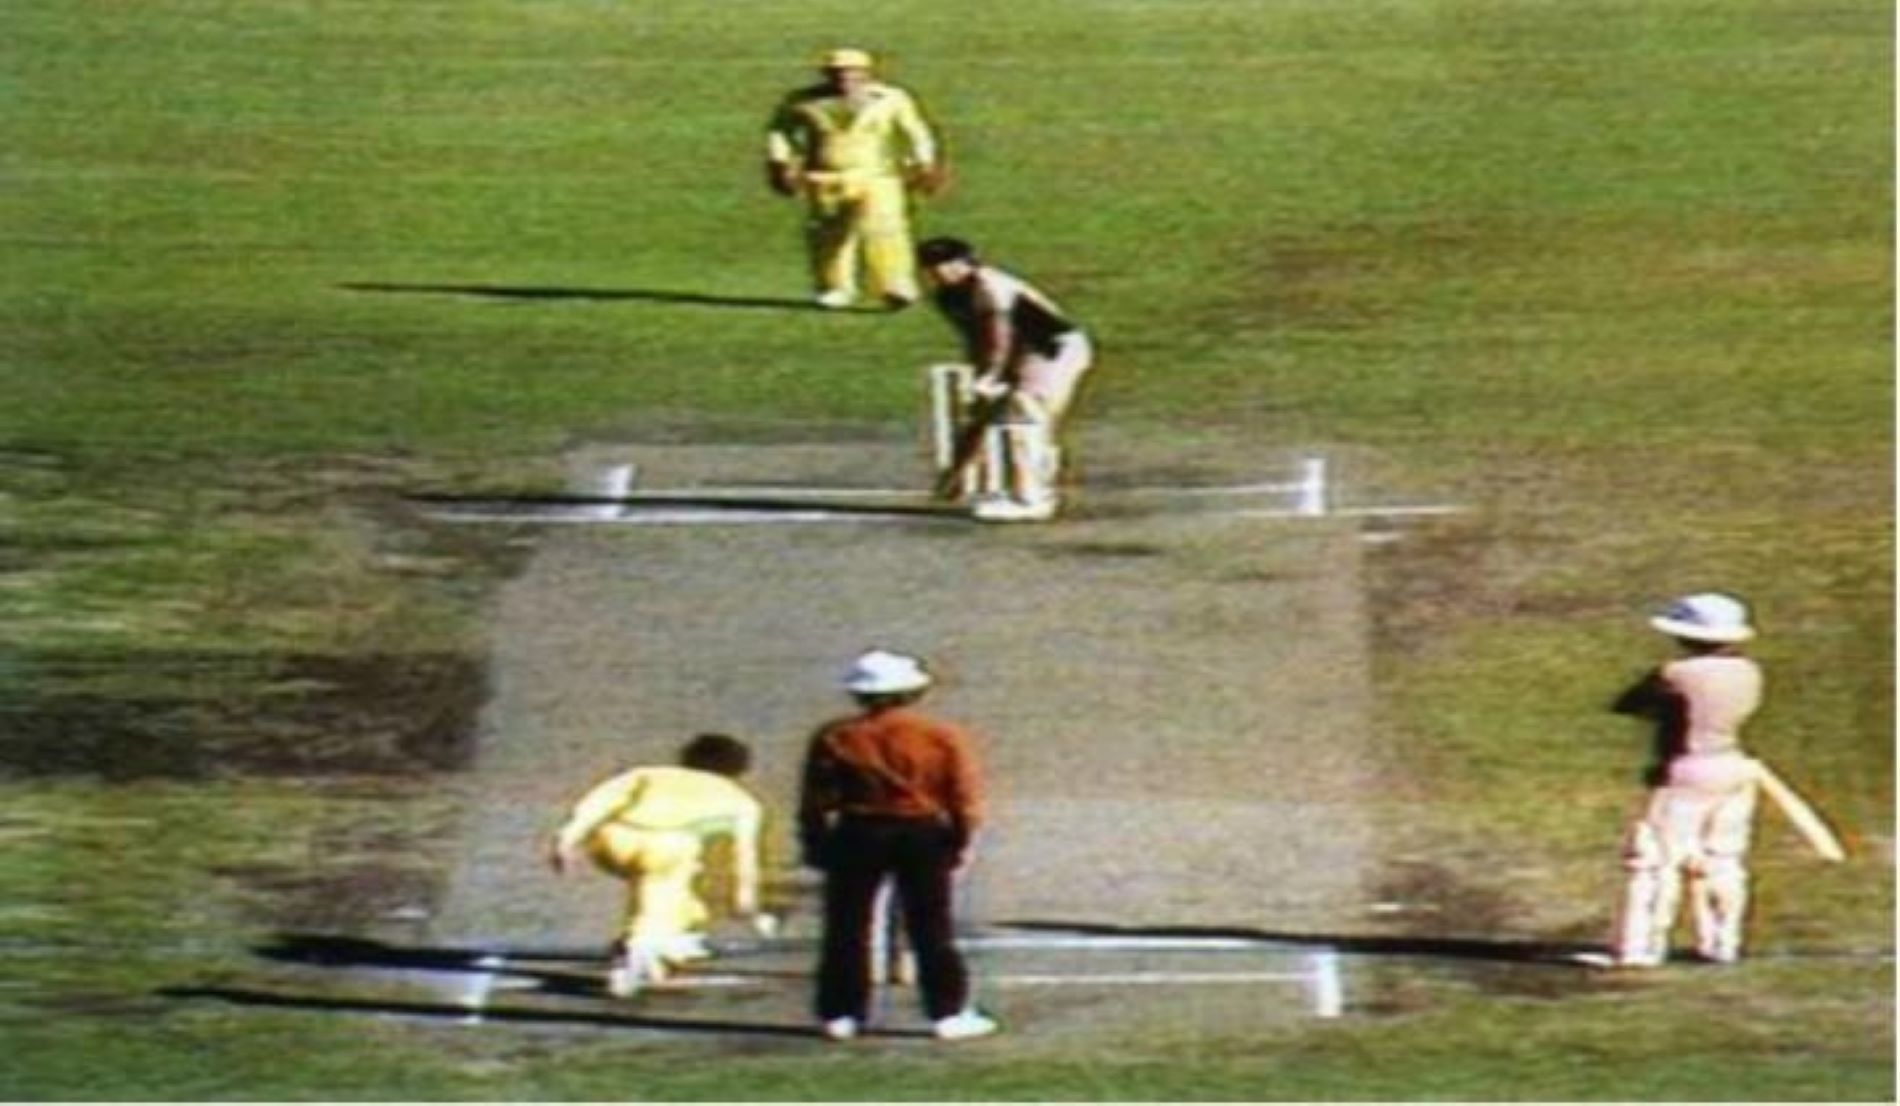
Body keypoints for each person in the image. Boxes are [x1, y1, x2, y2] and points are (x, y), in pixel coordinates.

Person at [798, 649, 998, 1041]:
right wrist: (959, 837)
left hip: (858, 829)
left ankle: (841, 1012)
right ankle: (946, 1012)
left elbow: (816, 798)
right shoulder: (939, 736)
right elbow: (962, 793)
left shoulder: (836, 735)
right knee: (931, 926)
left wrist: (815, 841)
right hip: (920, 831)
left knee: (846, 926)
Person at [1604, 593, 1770, 967]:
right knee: (1722, 859)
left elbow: (1628, 703)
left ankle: (1640, 948)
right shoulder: (1749, 672)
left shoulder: (1674, 674)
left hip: (1683, 771)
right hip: (1733, 766)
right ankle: (1722, 942)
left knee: (1654, 861)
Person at [548, 733, 771, 996]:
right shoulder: (742, 802)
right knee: (668, 878)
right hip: (667, 846)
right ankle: (639, 949)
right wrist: (747, 905)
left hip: (611, 838)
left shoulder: (649, 773)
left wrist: (567, 838)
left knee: (666, 892)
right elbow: (744, 860)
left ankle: (660, 940)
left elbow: (599, 801)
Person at [917, 236, 1095, 522]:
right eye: (931, 266)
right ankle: (1030, 487)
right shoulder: (946, 297)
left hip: (1053, 350)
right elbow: (976, 338)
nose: (940, 271)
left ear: (966, 262)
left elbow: (999, 335)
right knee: (1007, 415)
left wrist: (990, 376)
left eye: (948, 263)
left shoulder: (989, 285)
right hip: (1023, 353)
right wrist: (981, 381)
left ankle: (1031, 500)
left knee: (1024, 417)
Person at [765, 48, 947, 311]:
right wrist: (780, 162)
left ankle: (894, 286)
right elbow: (780, 131)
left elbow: (916, 131)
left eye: (852, 71)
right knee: (830, 234)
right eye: (837, 72)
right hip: (824, 175)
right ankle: (835, 287)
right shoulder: (803, 101)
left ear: (866, 72)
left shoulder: (890, 99)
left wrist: (925, 163)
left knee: (886, 229)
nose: (845, 78)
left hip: (876, 175)